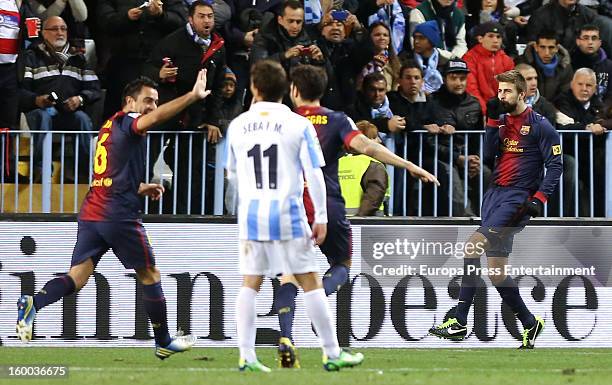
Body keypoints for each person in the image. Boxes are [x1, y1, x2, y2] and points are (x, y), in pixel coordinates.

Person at [16, 70, 212, 358]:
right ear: (130, 102)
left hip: (94, 210)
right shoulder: (131, 121)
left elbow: (111, 170)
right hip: (118, 214)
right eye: (148, 101)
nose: (153, 108)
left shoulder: (110, 125)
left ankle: (33, 303)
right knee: (150, 274)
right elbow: (155, 120)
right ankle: (163, 340)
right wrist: (192, 97)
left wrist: (140, 186)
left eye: (156, 102)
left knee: (77, 277)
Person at [275, 64, 438, 368]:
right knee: (342, 264)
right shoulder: (338, 120)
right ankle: (320, 300)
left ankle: (286, 336)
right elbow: (367, 147)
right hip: (328, 204)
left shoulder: (282, 121)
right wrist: (410, 166)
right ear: (321, 91)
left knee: (288, 274)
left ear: (294, 91)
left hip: (289, 206)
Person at [224, 60, 364, 372]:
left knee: (250, 283)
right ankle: (331, 353)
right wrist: (321, 217)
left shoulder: (237, 126)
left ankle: (247, 357)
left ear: (254, 89)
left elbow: (231, 175)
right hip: (287, 211)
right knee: (312, 282)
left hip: (251, 214)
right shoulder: (297, 125)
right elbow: (314, 174)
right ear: (286, 90)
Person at [429, 70, 562, 349]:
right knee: (497, 271)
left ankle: (460, 321)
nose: (501, 96)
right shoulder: (501, 122)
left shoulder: (540, 125)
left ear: (521, 94)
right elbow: (489, 156)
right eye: (499, 91)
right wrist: (490, 122)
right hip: (494, 195)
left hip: (517, 199)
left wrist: (540, 197)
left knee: (471, 248)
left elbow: (556, 166)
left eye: (507, 92)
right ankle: (529, 323)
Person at [19, 16, 101, 176]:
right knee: (44, 116)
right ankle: (42, 171)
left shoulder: (79, 59)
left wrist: (80, 99)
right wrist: (36, 100)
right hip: (40, 111)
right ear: (43, 33)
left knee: (82, 119)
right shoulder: (32, 57)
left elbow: (95, 88)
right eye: (54, 29)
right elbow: (20, 91)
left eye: (63, 29)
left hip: (68, 113)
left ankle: (85, 174)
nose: (60, 32)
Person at [338, 120, 390, 216]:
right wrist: (359, 220)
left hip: (338, 222)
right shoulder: (373, 165)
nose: (379, 140)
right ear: (366, 141)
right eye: (375, 137)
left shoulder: (338, 163)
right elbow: (373, 198)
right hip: (367, 225)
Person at [463, 21, 515, 114]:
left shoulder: (507, 60)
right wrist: (485, 111)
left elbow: (510, 89)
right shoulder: (469, 58)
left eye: (498, 37)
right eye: (491, 36)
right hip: (476, 110)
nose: (495, 40)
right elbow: (471, 88)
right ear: (480, 38)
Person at [515, 31, 573, 102]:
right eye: (542, 47)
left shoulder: (565, 67)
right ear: (536, 47)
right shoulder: (522, 63)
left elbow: (565, 95)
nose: (547, 52)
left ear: (557, 48)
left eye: (551, 47)